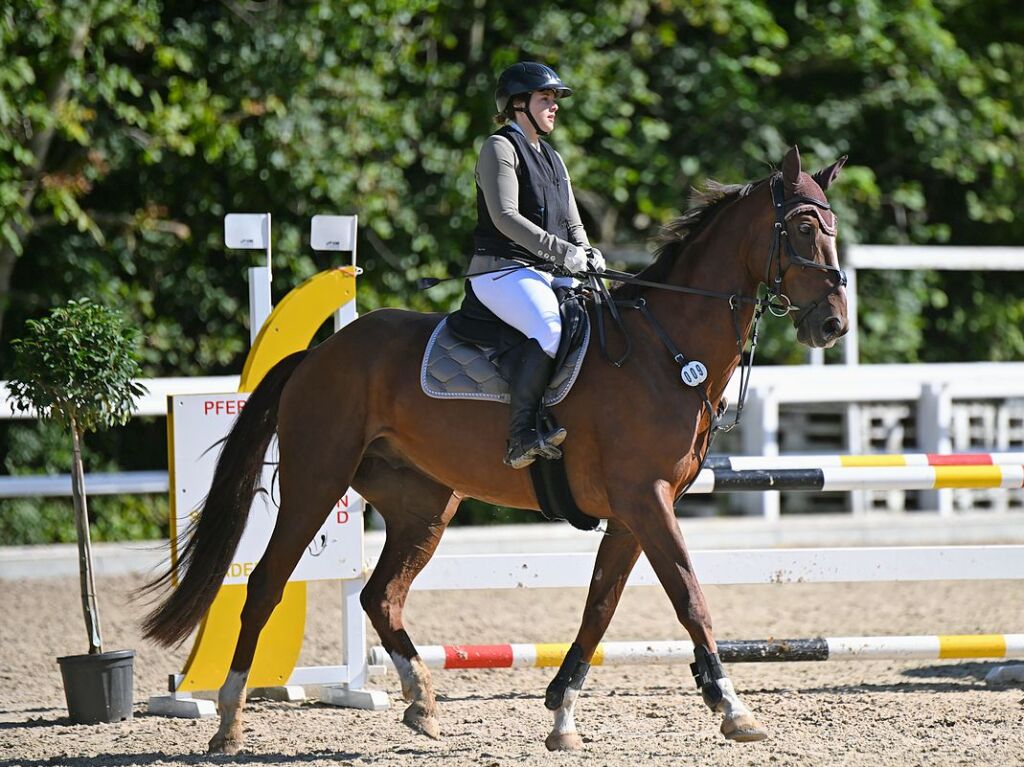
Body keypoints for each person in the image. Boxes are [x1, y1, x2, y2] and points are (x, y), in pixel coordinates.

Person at [467, 61, 605, 470]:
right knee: (549, 328)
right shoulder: (499, 148)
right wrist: (564, 254)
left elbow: (572, 219)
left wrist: (587, 252)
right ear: (518, 104)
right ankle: (521, 433)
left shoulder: (554, 158)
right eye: (546, 98)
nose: (554, 106)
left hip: (545, 272)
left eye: (555, 99)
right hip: (499, 271)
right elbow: (505, 217)